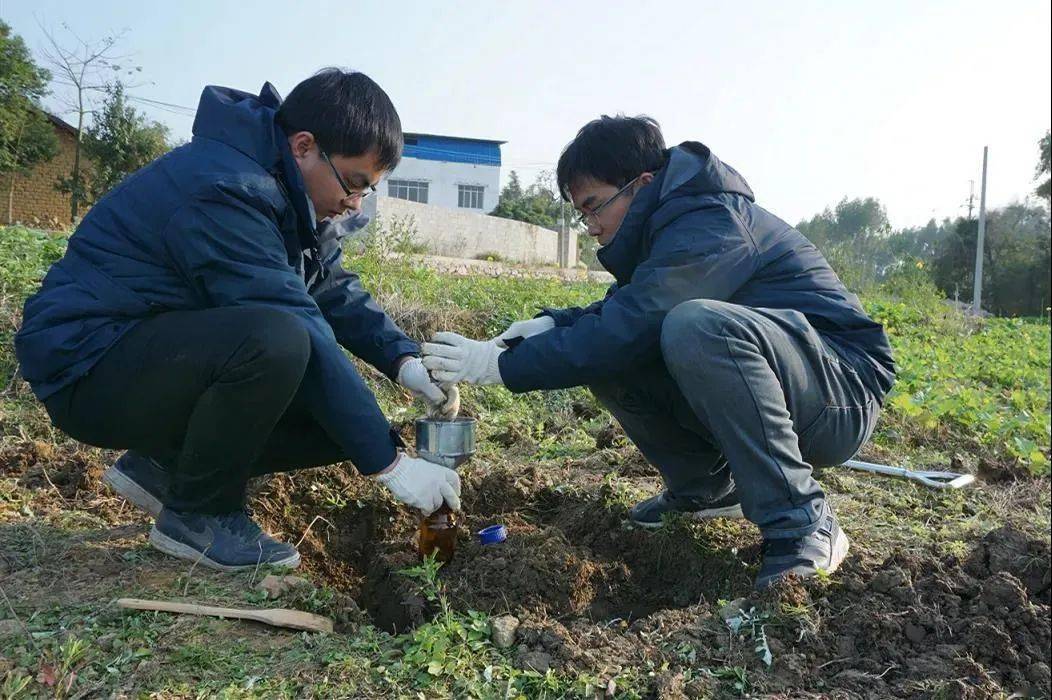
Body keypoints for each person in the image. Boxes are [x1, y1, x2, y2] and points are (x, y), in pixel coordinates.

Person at [15, 69, 461, 572]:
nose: (354, 203)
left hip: (157, 355)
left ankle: (167, 469)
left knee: (335, 420)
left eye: (368, 192)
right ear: (304, 146)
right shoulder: (227, 189)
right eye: (354, 184)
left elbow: (330, 287)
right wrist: (391, 465)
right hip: (90, 366)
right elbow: (296, 322)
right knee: (278, 340)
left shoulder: (289, 194)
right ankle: (199, 513)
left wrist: (403, 361)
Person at [422, 115, 895, 588]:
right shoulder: (671, 227)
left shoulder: (712, 220)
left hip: (841, 388)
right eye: (581, 214)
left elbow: (638, 318)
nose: (589, 226)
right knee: (619, 350)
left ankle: (802, 521)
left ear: (641, 184)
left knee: (692, 326)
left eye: (593, 207)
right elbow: (630, 311)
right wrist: (552, 323)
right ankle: (705, 489)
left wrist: (499, 366)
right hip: (796, 379)